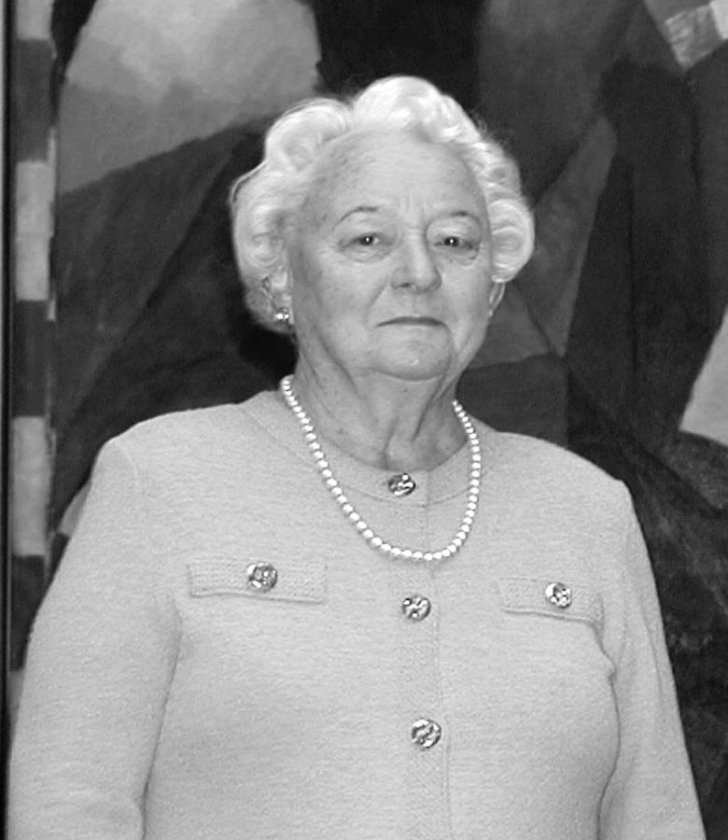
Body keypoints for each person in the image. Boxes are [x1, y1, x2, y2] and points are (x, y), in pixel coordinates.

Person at [9, 76, 705, 840]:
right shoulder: (157, 482)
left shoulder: (588, 510)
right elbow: (67, 808)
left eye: (455, 241)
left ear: (492, 285)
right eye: (367, 239)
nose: (419, 272)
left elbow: (658, 820)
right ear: (282, 274)